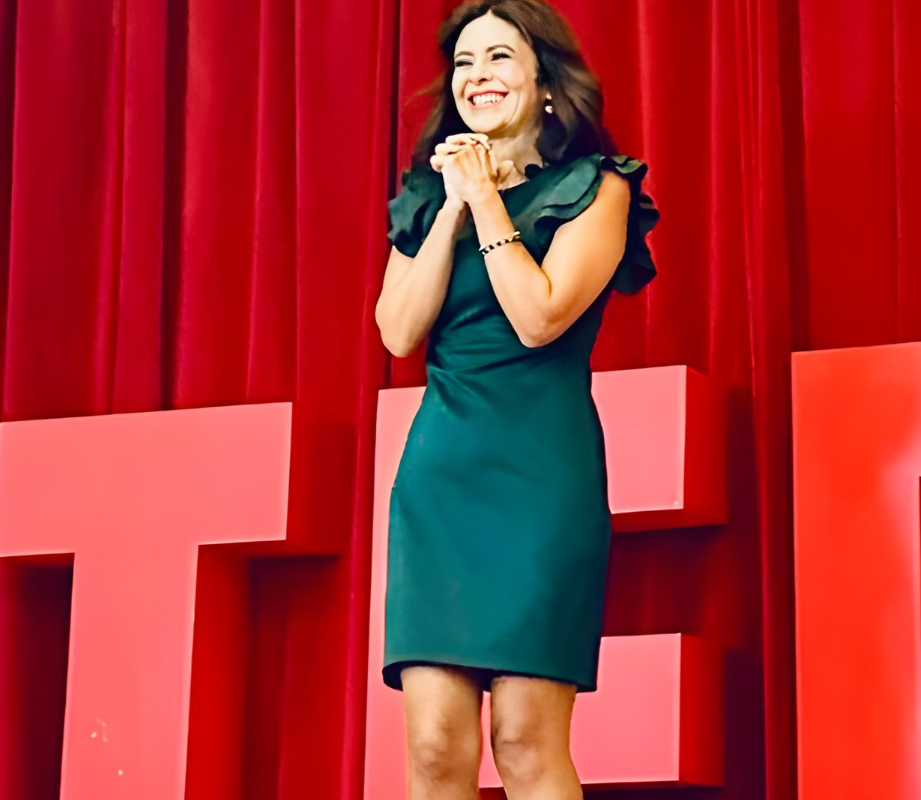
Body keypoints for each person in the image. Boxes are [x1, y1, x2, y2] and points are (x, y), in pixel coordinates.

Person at [373, 1, 659, 796]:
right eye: (464, 63)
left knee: (525, 740)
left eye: (499, 57)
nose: (477, 77)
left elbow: (539, 317)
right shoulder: (428, 195)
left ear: (545, 82)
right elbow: (399, 330)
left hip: (541, 476)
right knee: (434, 744)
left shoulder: (596, 188)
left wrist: (489, 199)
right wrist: (452, 205)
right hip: (441, 478)